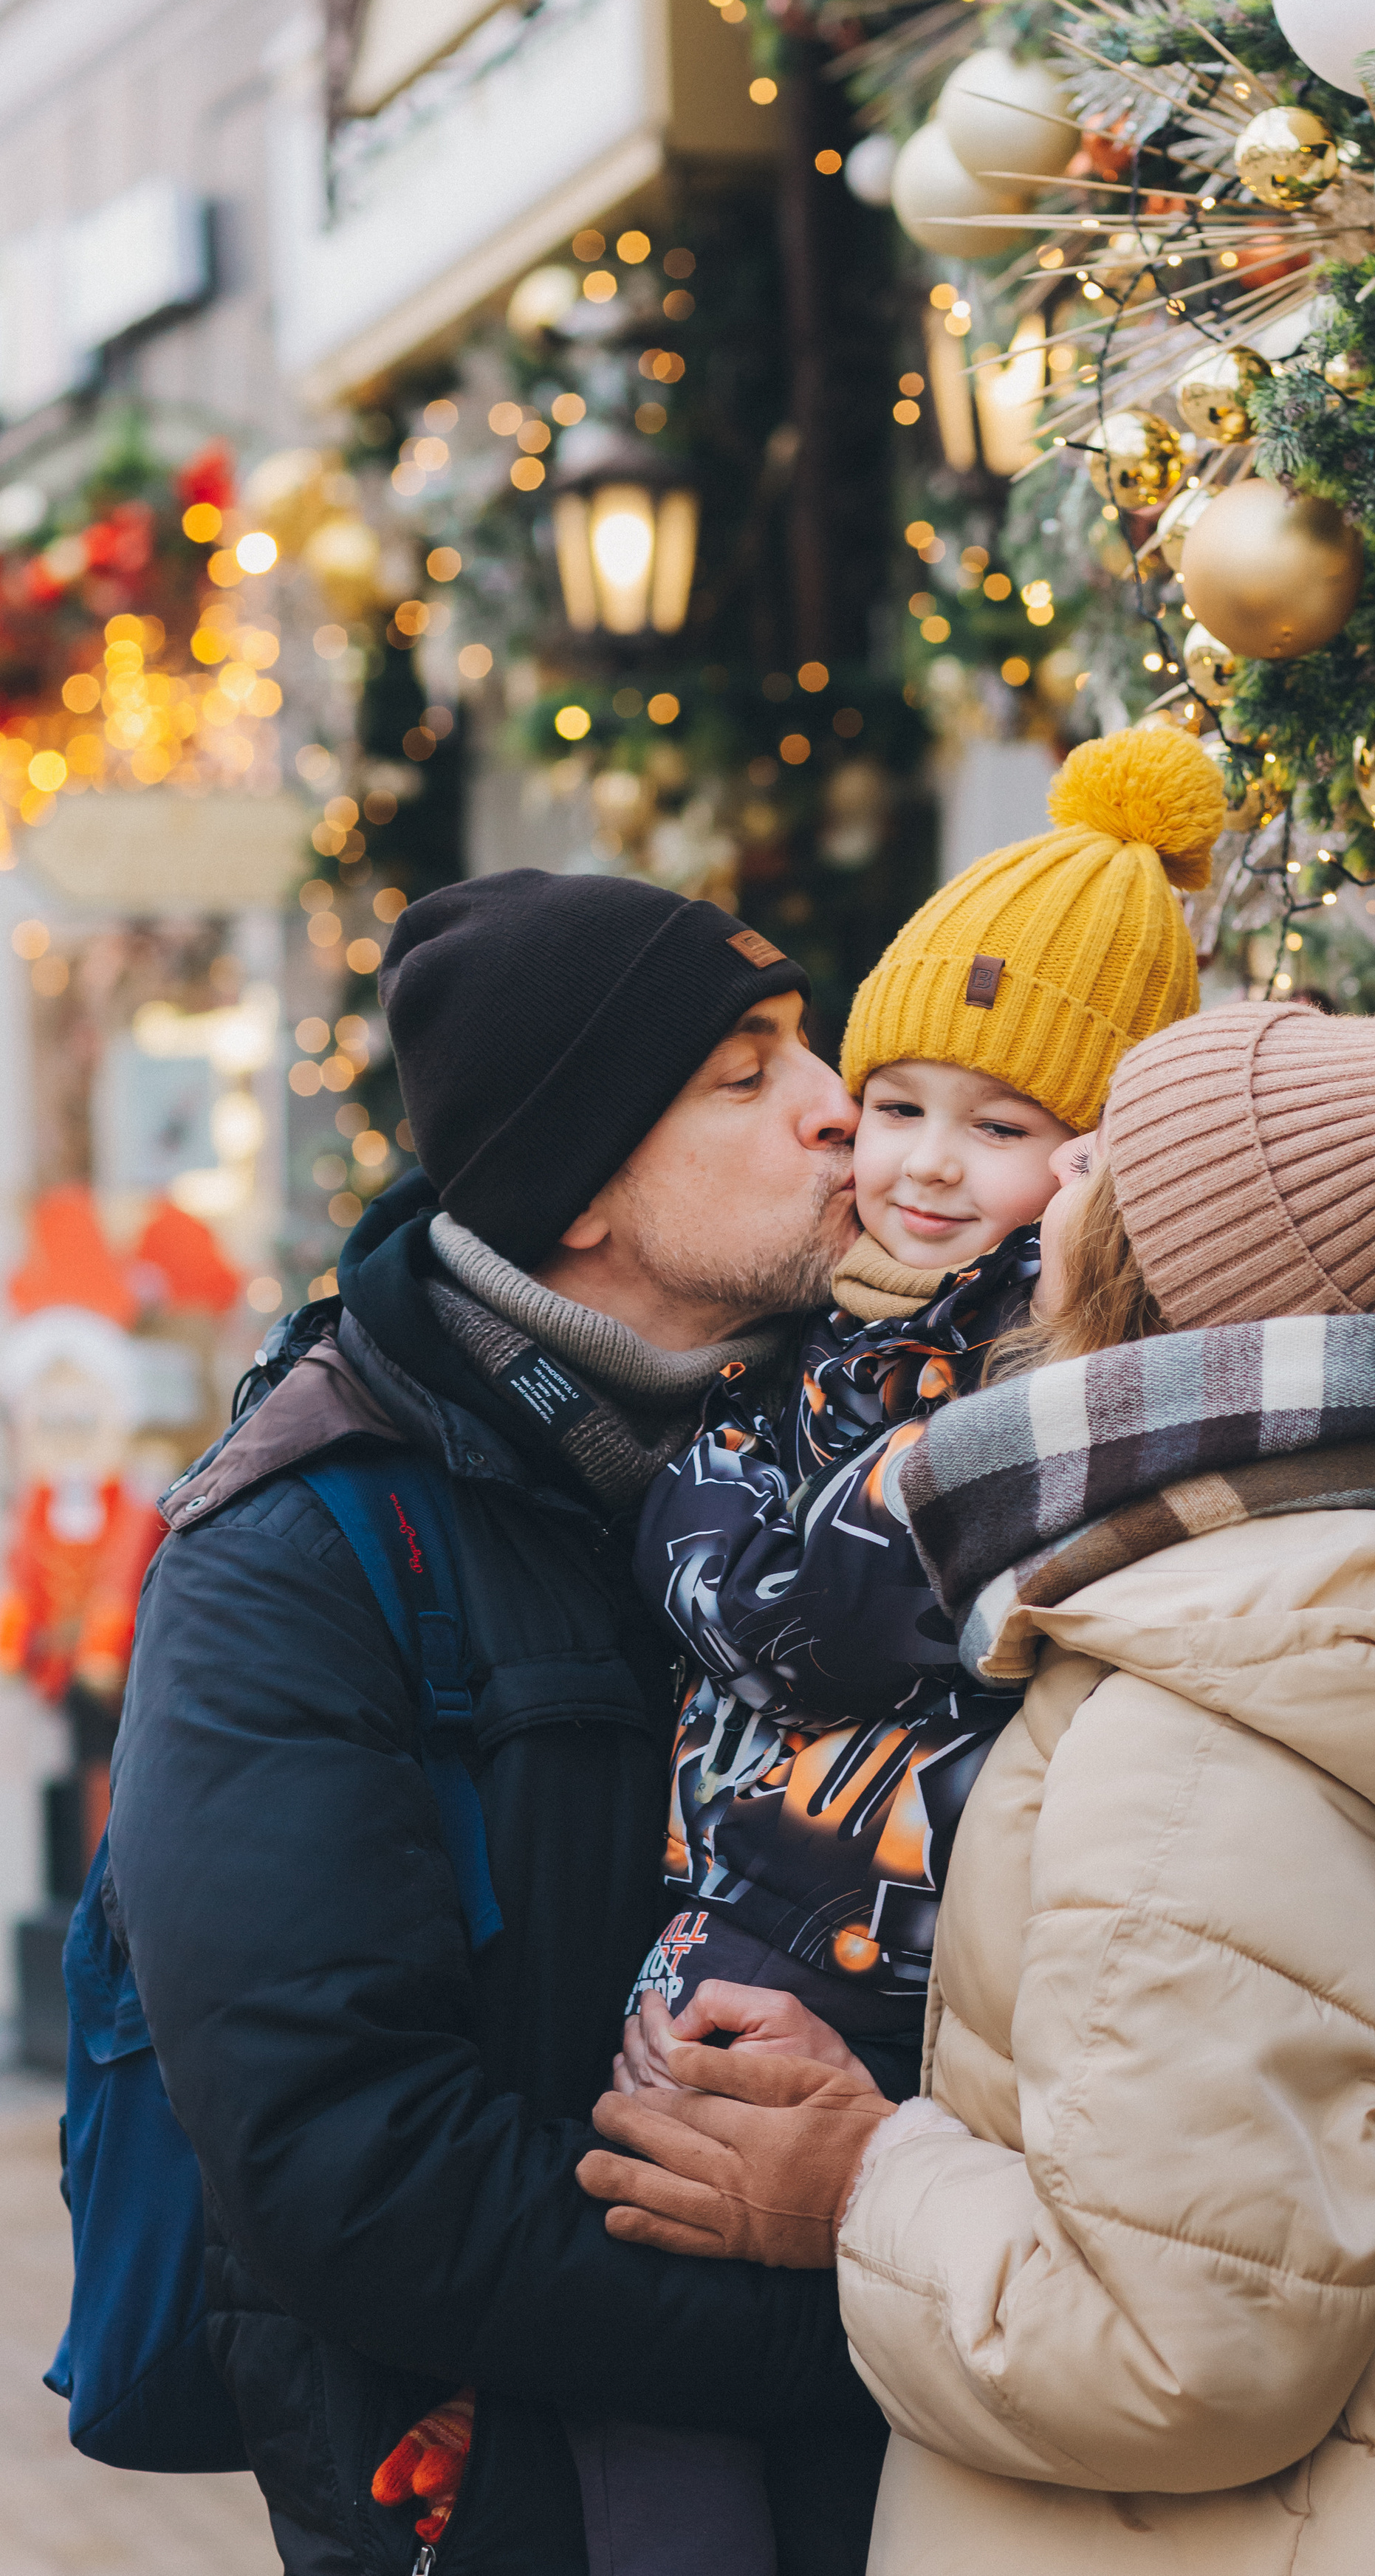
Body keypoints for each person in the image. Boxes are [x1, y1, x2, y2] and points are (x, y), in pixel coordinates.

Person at [579, 1000, 1375, 2576]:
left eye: (1110, 1162)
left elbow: (1183, 2360)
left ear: (1166, 1278)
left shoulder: (1191, 1734)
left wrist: (850, 2178)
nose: (1063, 1174)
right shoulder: (1348, 1581)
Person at [106, 870, 886, 2576]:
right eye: (747, 1078)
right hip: (524, 2504)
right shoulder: (298, 1548)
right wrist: (890, 2321)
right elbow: (346, 2166)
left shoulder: (858, 1475)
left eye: (807, 1049)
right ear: (579, 1186)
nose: (841, 1109)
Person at [588, 724, 1224, 2572]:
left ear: (1094, 1155)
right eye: (900, 1105)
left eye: (1004, 1129)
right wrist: (753, 1569)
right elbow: (692, 1528)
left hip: (903, 1964)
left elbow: (838, 1600)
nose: (927, 1167)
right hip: (726, 1906)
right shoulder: (821, 1339)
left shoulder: (1063, 1369)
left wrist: (759, 1580)